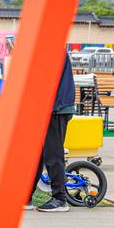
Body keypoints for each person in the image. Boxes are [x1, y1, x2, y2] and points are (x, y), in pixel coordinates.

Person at [27, 54, 77, 213]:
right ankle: (26, 196)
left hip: (56, 109)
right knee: (36, 155)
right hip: (49, 108)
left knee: (52, 154)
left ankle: (60, 198)